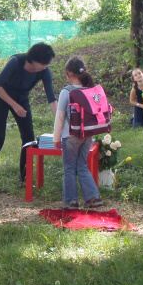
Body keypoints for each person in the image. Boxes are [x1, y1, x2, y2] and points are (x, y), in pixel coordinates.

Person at [0, 42, 57, 186]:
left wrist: (59, 120)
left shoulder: (44, 71)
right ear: (35, 60)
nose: (46, 67)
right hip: (1, 98)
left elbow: (51, 98)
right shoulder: (16, 62)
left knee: (29, 139)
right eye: (44, 63)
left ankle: (24, 178)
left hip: (22, 100)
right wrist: (14, 105)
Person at [52, 57, 105, 209]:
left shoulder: (67, 92)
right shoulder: (90, 90)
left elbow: (60, 117)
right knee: (82, 165)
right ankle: (93, 198)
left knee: (69, 168)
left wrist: (56, 138)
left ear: (69, 73)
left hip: (70, 136)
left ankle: (71, 201)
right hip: (87, 134)